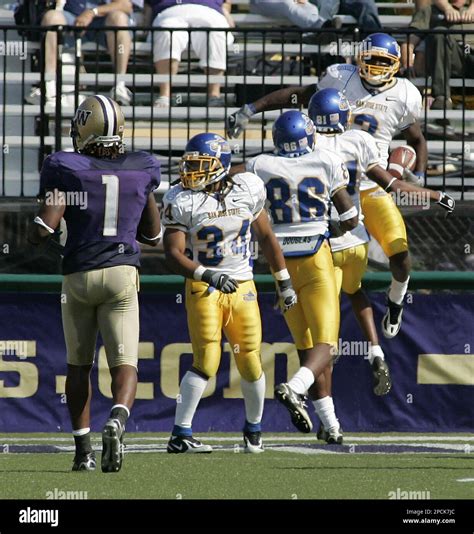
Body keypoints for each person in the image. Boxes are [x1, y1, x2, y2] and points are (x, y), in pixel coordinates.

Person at [226, 32, 428, 341]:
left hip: (369, 183)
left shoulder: (403, 95)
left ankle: (396, 301)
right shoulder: (340, 79)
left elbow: (416, 140)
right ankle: (321, 338)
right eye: (369, 60)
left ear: (395, 65)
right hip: (330, 185)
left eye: (382, 62)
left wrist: (420, 175)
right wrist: (253, 107)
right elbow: (298, 95)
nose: (374, 68)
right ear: (358, 60)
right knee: (330, 269)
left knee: (400, 254)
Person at [306, 88, 455, 442]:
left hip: (316, 244)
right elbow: (392, 182)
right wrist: (433, 193)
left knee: (320, 338)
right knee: (356, 290)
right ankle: (374, 350)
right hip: (355, 239)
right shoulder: (357, 139)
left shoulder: (306, 147)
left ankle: (319, 412)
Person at [28, 95, 161, 472]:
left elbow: (45, 226)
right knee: (125, 363)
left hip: (79, 275)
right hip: (121, 273)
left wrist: (39, 235)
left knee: (78, 366)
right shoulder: (141, 166)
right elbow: (153, 235)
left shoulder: (64, 167)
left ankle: (82, 453)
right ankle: (117, 420)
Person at [162, 132, 297, 453]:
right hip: (203, 286)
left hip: (243, 285)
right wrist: (206, 274)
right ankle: (180, 434)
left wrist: (284, 281)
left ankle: (254, 431)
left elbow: (266, 237)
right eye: (189, 164)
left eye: (199, 165)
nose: (190, 172)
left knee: (251, 359)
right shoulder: (182, 198)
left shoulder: (248, 188)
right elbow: (172, 254)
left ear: (220, 166)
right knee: (206, 360)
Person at [232, 110, 358, 434]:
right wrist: (336, 225)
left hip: (281, 262)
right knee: (327, 345)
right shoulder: (326, 159)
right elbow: (351, 215)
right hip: (317, 257)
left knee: (308, 347)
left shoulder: (261, 165)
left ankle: (331, 426)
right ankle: (295, 388)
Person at [26, 0, 135, 107]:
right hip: (71, 20)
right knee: (51, 18)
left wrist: (92, 12)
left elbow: (125, 5)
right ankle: (49, 85)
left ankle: (120, 85)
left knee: (119, 18)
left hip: (103, 22)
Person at [147, 0, 234, 108]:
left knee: (215, 33)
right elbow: (148, 4)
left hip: (210, 10)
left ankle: (214, 95)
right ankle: (164, 95)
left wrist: (225, 10)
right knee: (166, 33)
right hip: (170, 11)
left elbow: (226, 2)